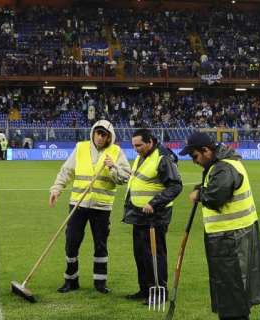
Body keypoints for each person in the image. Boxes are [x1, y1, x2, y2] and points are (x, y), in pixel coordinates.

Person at [181, 132, 260, 320]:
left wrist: (199, 194)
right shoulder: (222, 164)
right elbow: (219, 185)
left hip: (230, 238)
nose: (194, 161)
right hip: (232, 236)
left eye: (194, 156)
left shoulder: (223, 167)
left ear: (206, 151)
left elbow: (216, 196)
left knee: (231, 292)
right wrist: (203, 186)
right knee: (232, 290)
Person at [49, 120, 131, 293]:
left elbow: (125, 178)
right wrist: (57, 188)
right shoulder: (81, 148)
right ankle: (71, 280)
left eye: (104, 135)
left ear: (110, 136)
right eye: (98, 133)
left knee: (100, 245)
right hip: (78, 204)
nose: (100, 137)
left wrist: (113, 167)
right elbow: (66, 171)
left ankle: (100, 283)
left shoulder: (116, 152)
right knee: (71, 242)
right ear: (93, 132)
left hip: (102, 207)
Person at [123, 129, 182, 304]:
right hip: (139, 215)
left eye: (139, 145)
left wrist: (154, 203)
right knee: (141, 255)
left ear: (150, 142)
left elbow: (175, 186)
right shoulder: (143, 156)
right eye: (134, 146)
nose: (136, 149)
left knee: (154, 255)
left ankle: (159, 293)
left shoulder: (162, 158)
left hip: (155, 216)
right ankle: (145, 290)